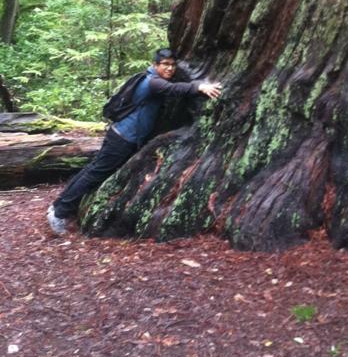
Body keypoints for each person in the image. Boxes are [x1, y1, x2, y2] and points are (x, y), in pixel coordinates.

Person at [46, 49, 221, 235]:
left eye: (172, 65)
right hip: (123, 138)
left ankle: (58, 205)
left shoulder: (151, 78)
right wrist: (199, 87)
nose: (170, 68)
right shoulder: (151, 82)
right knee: (94, 173)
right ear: (156, 65)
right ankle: (59, 212)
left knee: (92, 170)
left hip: (121, 135)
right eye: (165, 64)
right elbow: (172, 89)